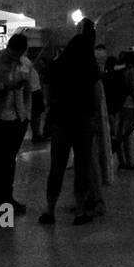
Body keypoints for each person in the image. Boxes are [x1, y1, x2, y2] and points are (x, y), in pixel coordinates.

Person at [40, 34, 107, 226]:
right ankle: (79, 211)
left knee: (57, 166)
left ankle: (50, 210)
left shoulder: (57, 65)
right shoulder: (89, 66)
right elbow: (96, 94)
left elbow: (48, 92)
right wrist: (95, 117)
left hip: (61, 120)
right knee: (82, 166)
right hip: (83, 120)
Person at [0, 33, 33, 218]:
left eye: (18, 55)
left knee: (9, 160)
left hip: (17, 119)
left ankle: (7, 199)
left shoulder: (26, 63)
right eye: (12, 54)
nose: (15, 59)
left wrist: (26, 115)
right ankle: (0, 203)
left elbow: (31, 91)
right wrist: (4, 87)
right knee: (0, 160)